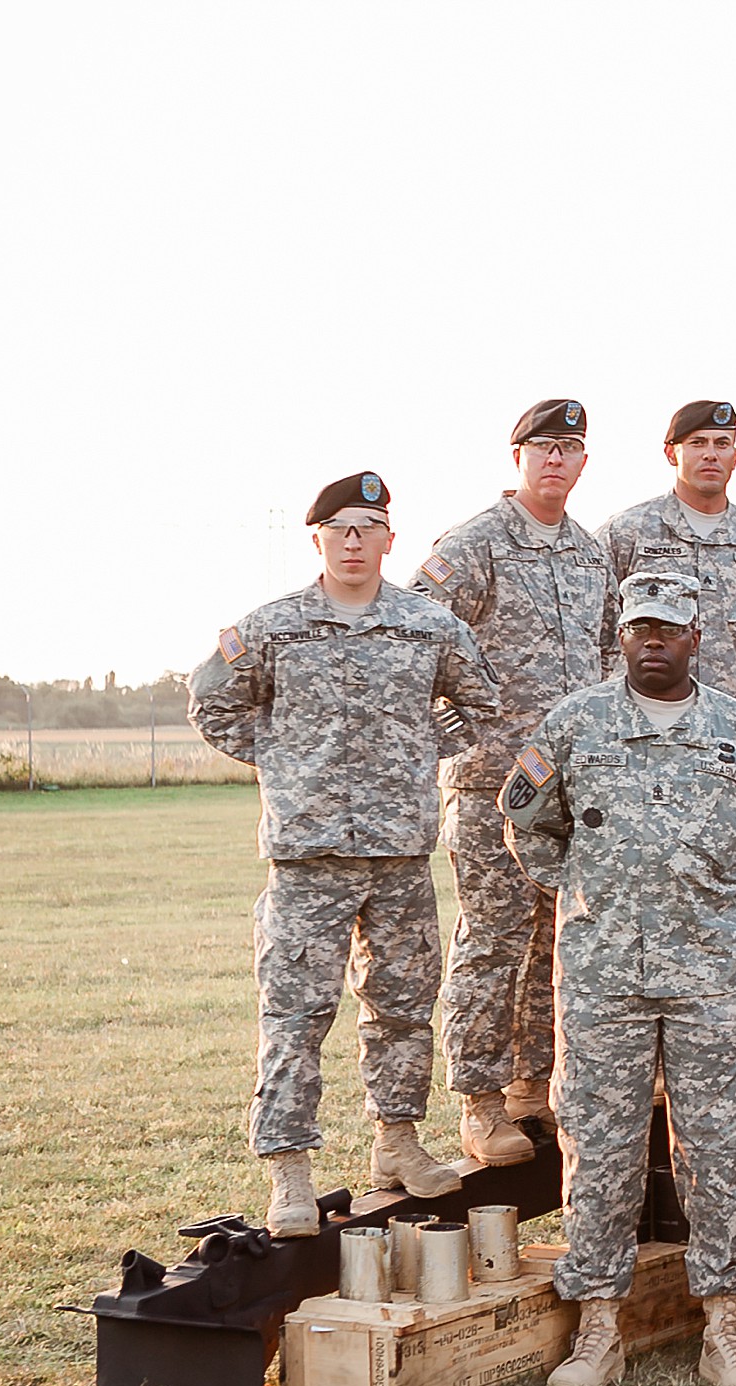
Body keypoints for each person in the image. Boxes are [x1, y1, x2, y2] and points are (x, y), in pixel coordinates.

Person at [500, 570, 736, 1386]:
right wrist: (584, 887)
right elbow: (526, 821)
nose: (653, 640)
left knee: (716, 1148)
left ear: (695, 637)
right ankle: (599, 1326)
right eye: (639, 628)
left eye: (668, 628)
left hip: (712, 976)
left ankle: (724, 1327)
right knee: (599, 1147)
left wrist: (724, 906)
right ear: (621, 636)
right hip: (605, 975)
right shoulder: (574, 724)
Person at [188, 472, 502, 1234]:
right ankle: (290, 1172)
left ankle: (397, 1142)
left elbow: (482, 704)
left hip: (399, 852)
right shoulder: (275, 626)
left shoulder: (428, 626)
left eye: (368, 527)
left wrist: (422, 749)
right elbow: (211, 701)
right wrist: (285, 759)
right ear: (319, 539)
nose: (354, 542)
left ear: (391, 539)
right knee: (295, 1013)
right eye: (340, 529)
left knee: (401, 1008)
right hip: (307, 856)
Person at [411, 398, 618, 1164]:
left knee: (553, 940)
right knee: (493, 938)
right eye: (544, 448)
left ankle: (535, 1084)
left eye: (571, 448)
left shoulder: (591, 555)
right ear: (518, 457)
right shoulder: (473, 547)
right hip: (492, 783)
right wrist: (463, 724)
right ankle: (480, 1099)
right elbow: (414, 635)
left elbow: (606, 655)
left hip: (566, 791)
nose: (557, 460)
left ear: (584, 463)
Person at [596, 399, 736, 713]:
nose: (711, 454)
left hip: (733, 723)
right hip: (640, 720)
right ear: (672, 453)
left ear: (735, 457)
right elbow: (592, 621)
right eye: (697, 443)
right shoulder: (627, 534)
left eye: (722, 444)